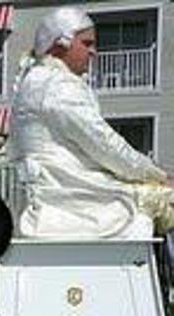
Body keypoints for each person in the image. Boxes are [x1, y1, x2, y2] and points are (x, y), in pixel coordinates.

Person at [10, 6, 174, 238]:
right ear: (60, 45)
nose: (93, 52)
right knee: (163, 198)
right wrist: (157, 175)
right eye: (86, 44)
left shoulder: (33, 81)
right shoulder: (58, 86)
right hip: (70, 194)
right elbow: (105, 145)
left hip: (52, 191)